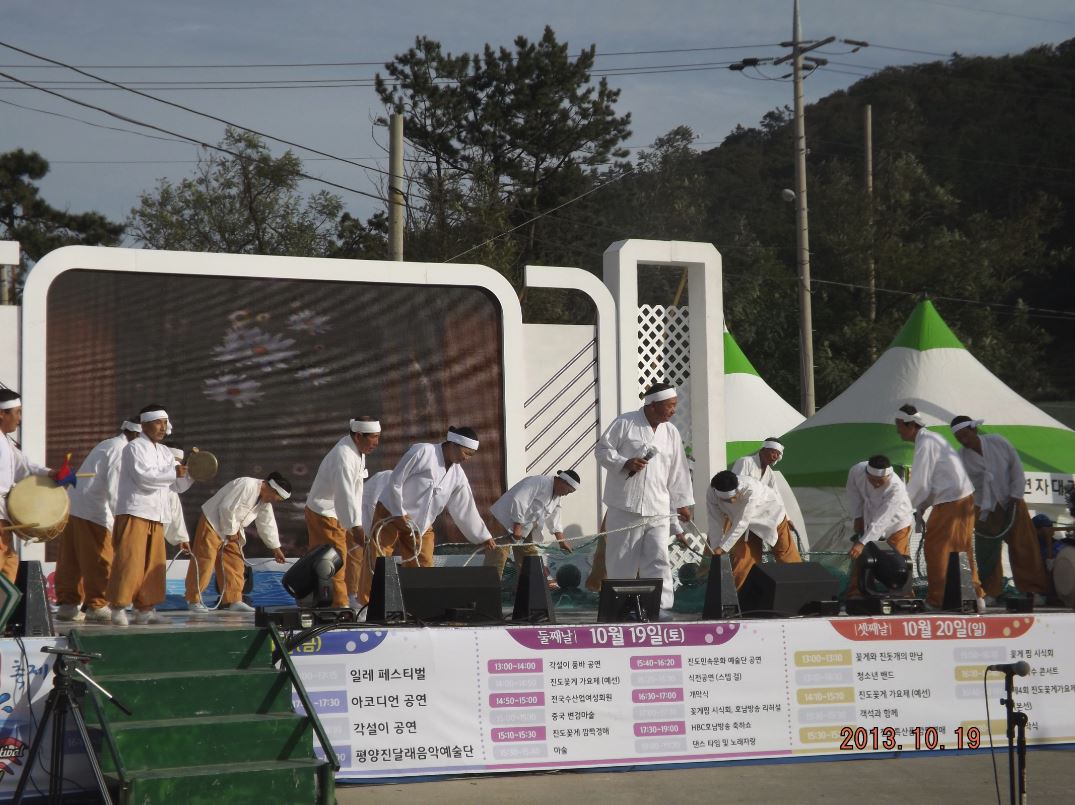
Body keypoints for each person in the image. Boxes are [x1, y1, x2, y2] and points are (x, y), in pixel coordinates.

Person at [595, 382, 694, 613]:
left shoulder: (671, 432)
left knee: (659, 558)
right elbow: (601, 450)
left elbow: (677, 469)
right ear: (652, 405)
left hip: (658, 507)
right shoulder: (625, 423)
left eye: (674, 405)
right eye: (669, 405)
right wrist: (624, 462)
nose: (673, 410)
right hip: (625, 506)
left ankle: (661, 607)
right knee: (622, 560)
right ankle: (620, 606)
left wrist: (681, 503)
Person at [366, 426, 497, 599]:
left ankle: (418, 604)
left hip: (421, 524)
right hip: (391, 512)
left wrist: (483, 536)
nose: (466, 459)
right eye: (466, 453)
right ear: (453, 444)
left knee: (423, 563)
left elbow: (465, 508)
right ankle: (367, 603)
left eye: (471, 455)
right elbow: (396, 480)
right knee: (378, 558)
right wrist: (399, 512)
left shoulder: (458, 475)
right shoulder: (423, 452)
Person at [106, 405, 193, 626]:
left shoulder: (165, 452)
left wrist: (191, 471)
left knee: (154, 564)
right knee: (129, 561)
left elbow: (178, 486)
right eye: (158, 422)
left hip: (157, 515)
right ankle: (117, 607)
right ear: (144, 424)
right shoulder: (133, 448)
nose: (163, 427)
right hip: (135, 511)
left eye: (165, 422)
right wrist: (173, 472)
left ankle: (145, 609)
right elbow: (144, 477)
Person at [950, 415, 1050, 601]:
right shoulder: (960, 457)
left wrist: (1015, 494)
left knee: (1024, 546)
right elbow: (959, 486)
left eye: (965, 435)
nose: (963, 441)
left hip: (1012, 500)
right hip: (984, 506)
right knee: (987, 552)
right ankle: (991, 591)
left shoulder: (998, 442)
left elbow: (1016, 468)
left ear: (974, 430)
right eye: (959, 438)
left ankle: (1033, 589)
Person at [895, 404, 984, 610]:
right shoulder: (930, 439)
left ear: (908, 425)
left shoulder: (926, 442)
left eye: (898, 425)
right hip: (959, 499)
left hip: (953, 501)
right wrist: (923, 506)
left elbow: (919, 483)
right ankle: (975, 598)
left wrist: (900, 510)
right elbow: (932, 482)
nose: (897, 430)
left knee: (936, 548)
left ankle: (937, 600)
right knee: (961, 549)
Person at [54, 419, 142, 622]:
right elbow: (115, 489)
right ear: (137, 434)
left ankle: (68, 605)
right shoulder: (121, 450)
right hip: (95, 512)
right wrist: (121, 523)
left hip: (75, 507)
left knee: (72, 560)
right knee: (99, 560)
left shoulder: (108, 444)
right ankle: (97, 604)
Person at [185, 472, 290, 614]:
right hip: (213, 523)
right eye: (276, 497)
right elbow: (226, 507)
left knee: (235, 563)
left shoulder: (264, 501)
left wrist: (275, 548)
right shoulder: (247, 484)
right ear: (271, 488)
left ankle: (234, 600)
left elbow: (267, 523)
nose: (274, 501)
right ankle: (194, 600)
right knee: (205, 561)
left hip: (233, 530)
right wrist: (230, 531)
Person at [304, 417, 380, 608]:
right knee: (334, 560)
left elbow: (355, 492)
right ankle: (339, 606)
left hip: (338, 513)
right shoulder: (344, 456)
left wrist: (356, 523)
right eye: (374, 438)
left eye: (379, 437)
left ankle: (350, 597)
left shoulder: (358, 450)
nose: (377, 443)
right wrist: (355, 527)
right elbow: (344, 494)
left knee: (346, 556)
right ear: (359, 436)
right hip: (325, 513)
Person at [484, 470, 579, 583]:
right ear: (563, 482)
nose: (566, 494)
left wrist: (561, 540)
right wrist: (517, 525)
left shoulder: (556, 496)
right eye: (568, 491)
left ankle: (529, 591)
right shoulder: (539, 481)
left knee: (530, 559)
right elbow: (519, 499)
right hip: (505, 521)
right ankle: (488, 593)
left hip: (525, 529)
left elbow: (555, 515)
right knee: (497, 557)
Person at [0, 389, 55, 583]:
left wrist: (52, 474)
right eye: (17, 412)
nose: (19, 419)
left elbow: (25, 467)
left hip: (3, 515)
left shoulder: (5, 441)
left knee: (9, 562)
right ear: (2, 414)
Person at [729, 437, 803, 580]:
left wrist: (787, 518)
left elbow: (777, 498)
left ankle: (797, 578)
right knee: (745, 559)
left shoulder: (770, 474)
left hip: (762, 519)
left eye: (778, 454)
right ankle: (739, 593)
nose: (775, 456)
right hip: (743, 518)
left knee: (783, 549)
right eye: (773, 452)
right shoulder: (746, 462)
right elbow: (735, 487)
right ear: (763, 450)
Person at [844, 455, 915, 598]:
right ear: (866, 474)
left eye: (880, 482)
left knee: (898, 563)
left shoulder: (897, 488)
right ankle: (855, 594)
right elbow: (853, 493)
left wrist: (862, 542)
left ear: (888, 477)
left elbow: (883, 520)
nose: (876, 485)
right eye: (873, 481)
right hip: (870, 519)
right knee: (863, 559)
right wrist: (858, 516)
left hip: (897, 524)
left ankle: (904, 597)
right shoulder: (857, 471)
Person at [707, 470, 787, 589]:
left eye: (733, 498)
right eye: (726, 501)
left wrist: (723, 547)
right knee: (743, 562)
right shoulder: (711, 492)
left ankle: (800, 591)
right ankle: (738, 598)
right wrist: (715, 547)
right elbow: (715, 521)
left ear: (738, 489)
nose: (731, 503)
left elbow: (743, 521)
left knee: (785, 554)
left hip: (771, 516)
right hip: (740, 526)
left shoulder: (751, 488)